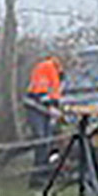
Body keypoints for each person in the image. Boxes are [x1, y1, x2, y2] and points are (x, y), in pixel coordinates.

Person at [22, 53, 65, 182]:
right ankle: (37, 176)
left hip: (44, 109)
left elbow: (55, 93)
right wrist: (51, 107)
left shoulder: (57, 71)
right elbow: (41, 91)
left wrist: (56, 107)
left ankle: (43, 172)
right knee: (40, 139)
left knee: (48, 140)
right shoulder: (46, 67)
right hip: (36, 107)